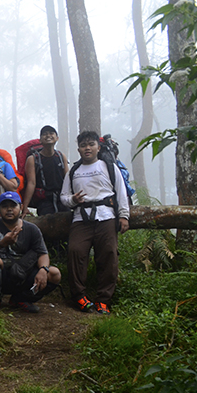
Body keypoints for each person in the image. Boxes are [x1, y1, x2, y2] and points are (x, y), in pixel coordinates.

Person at [60, 131, 130, 314]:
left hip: (106, 216)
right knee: (75, 251)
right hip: (80, 219)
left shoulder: (108, 166)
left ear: (98, 147)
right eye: (83, 145)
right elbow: (64, 197)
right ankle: (79, 296)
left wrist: (124, 215)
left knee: (108, 255)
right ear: (79, 149)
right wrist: (73, 200)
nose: (87, 148)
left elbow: (120, 191)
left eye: (91, 144)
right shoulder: (73, 171)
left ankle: (103, 300)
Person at [0, 192, 62, 313]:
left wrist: (44, 269)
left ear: (21, 207)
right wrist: (2, 243)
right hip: (1, 274)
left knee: (54, 273)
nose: (9, 209)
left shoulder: (32, 229)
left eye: (13, 206)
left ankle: (21, 299)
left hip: (23, 274)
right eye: (5, 206)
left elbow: (43, 253)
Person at [21, 125, 69, 217]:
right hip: (44, 201)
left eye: (51, 133)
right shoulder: (33, 159)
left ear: (57, 138)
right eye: (45, 134)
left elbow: (68, 178)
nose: (48, 136)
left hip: (62, 199)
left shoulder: (60, 156)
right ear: (40, 140)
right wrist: (25, 207)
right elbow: (31, 183)